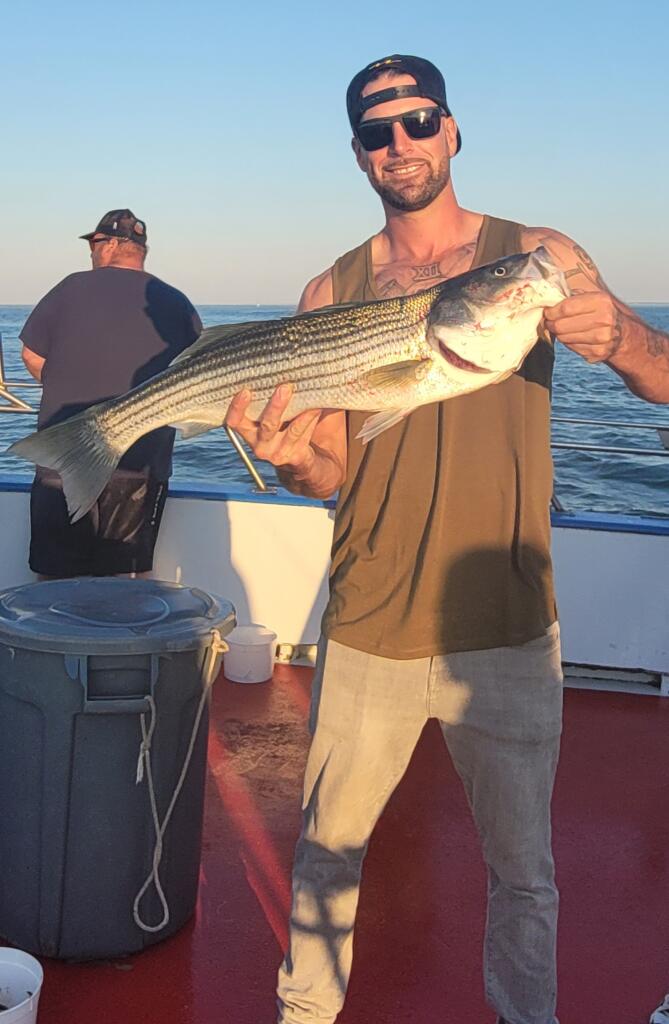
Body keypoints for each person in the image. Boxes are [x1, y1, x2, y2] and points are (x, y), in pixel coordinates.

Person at [224, 56, 669, 1024]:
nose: (401, 141)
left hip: (508, 620)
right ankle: (304, 1013)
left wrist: (624, 339)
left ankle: (526, 1015)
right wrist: (293, 459)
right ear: (358, 155)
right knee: (326, 852)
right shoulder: (329, 287)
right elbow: (332, 468)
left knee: (524, 869)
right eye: (378, 130)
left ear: (453, 130)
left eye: (419, 119)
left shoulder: (538, 254)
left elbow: (664, 378)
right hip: (370, 612)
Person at [20, 209, 202, 579]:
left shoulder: (69, 288)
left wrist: (66, 383)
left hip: (65, 457)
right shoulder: (177, 302)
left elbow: (31, 355)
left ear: (115, 245)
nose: (91, 251)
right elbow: (198, 370)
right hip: (139, 463)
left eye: (96, 242)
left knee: (53, 582)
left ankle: (52, 637)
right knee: (125, 583)